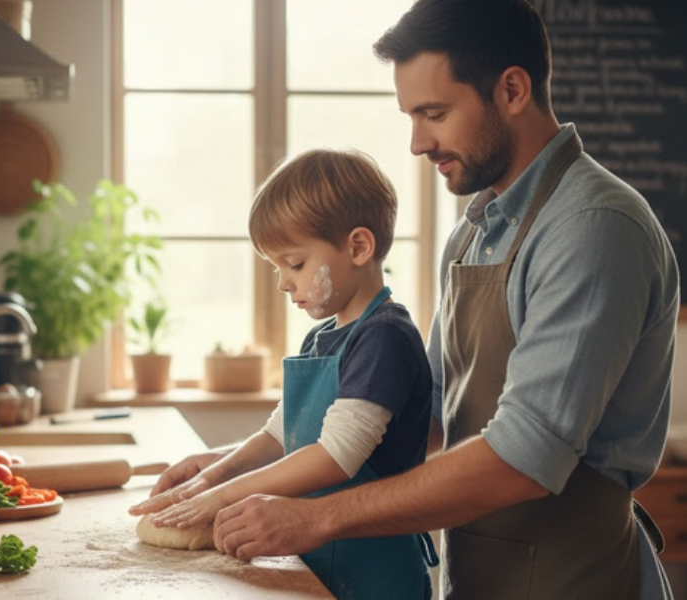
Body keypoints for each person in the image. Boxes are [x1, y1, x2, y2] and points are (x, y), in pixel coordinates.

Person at [168, 1, 681, 599]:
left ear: (512, 90)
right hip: (480, 573)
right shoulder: (473, 234)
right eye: (411, 116)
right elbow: (423, 414)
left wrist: (316, 517)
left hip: (573, 580)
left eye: (434, 113)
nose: (416, 143)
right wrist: (229, 466)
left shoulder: (593, 227)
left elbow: (524, 456)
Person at [130, 148, 438, 599]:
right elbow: (279, 436)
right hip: (316, 560)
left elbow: (335, 455)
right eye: (275, 267)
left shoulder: (384, 338)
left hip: (375, 572)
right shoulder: (320, 338)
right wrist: (211, 475)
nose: (283, 283)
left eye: (295, 264)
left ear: (359, 247)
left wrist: (224, 496)